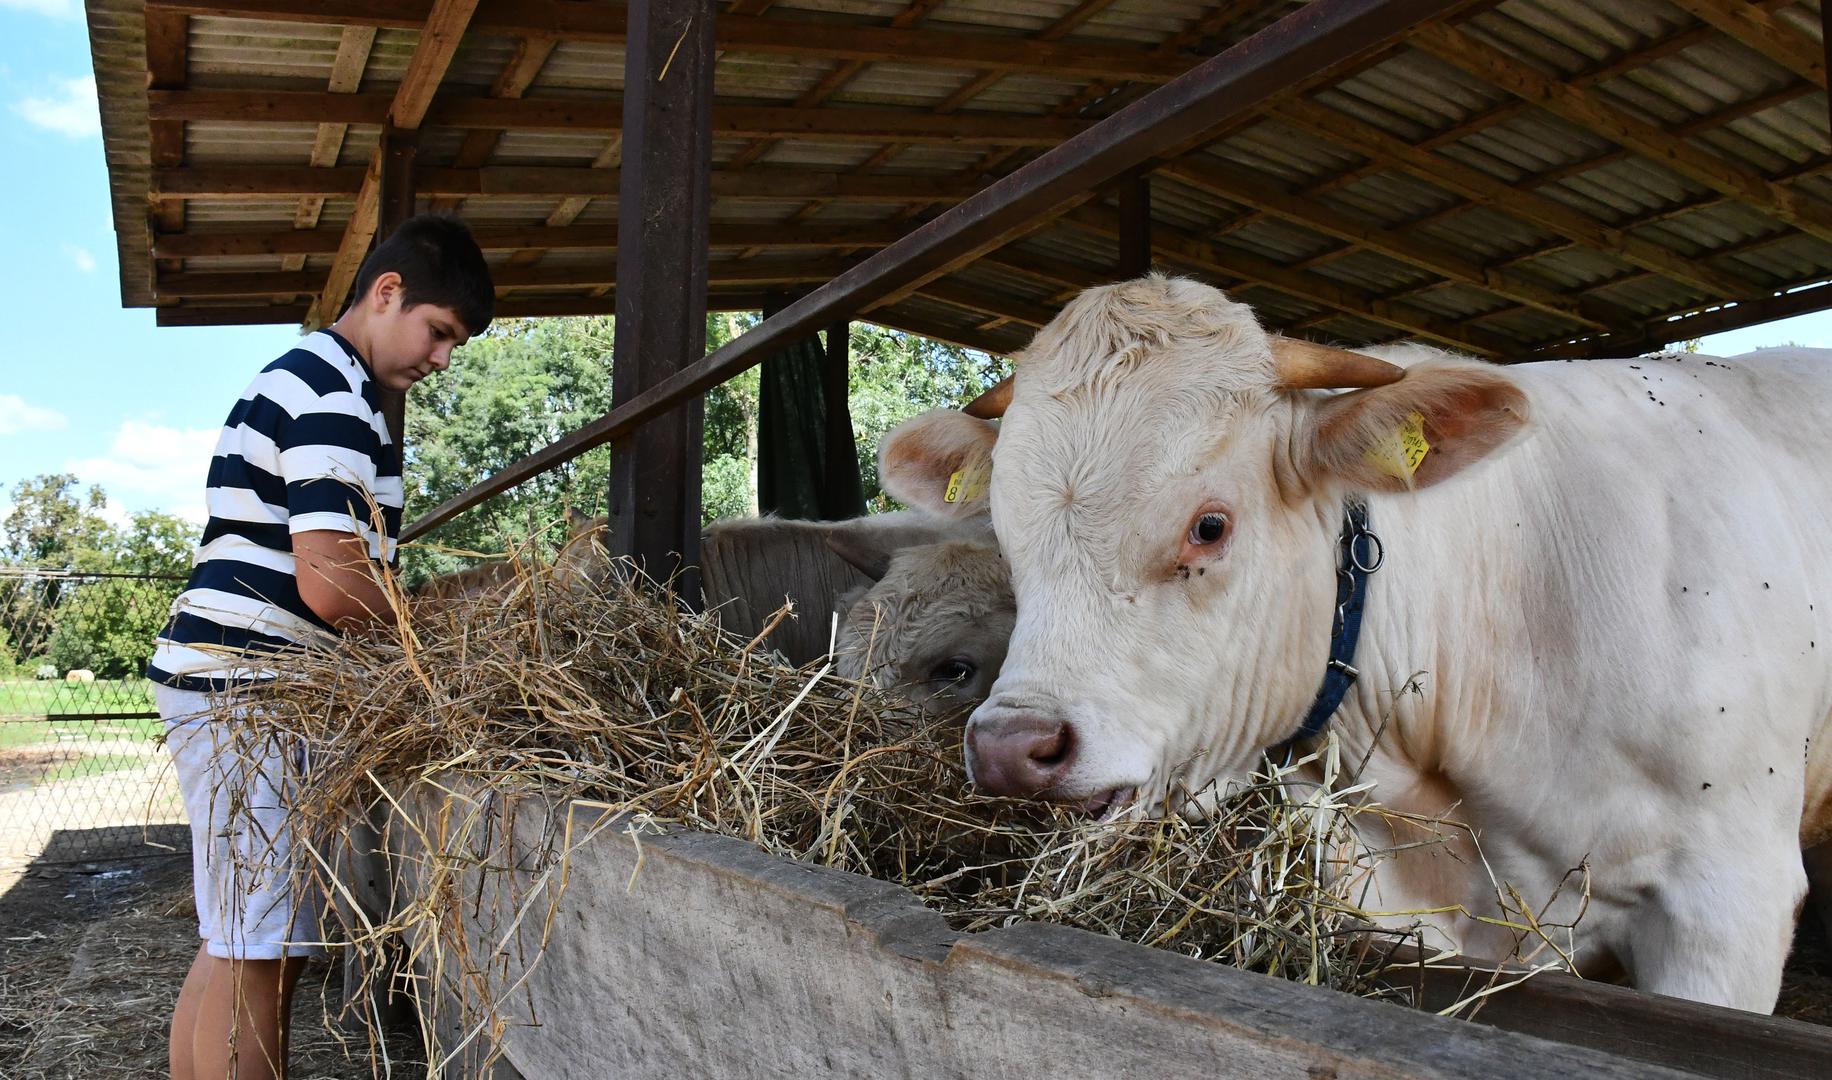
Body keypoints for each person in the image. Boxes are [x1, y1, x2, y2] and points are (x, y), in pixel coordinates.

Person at [147, 214, 493, 1080]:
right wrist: (430, 634)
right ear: (387, 292)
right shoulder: (332, 393)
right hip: (249, 692)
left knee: (240, 940)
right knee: (258, 948)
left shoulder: (322, 383)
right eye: (439, 331)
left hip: (233, 685)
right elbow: (333, 586)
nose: (441, 358)